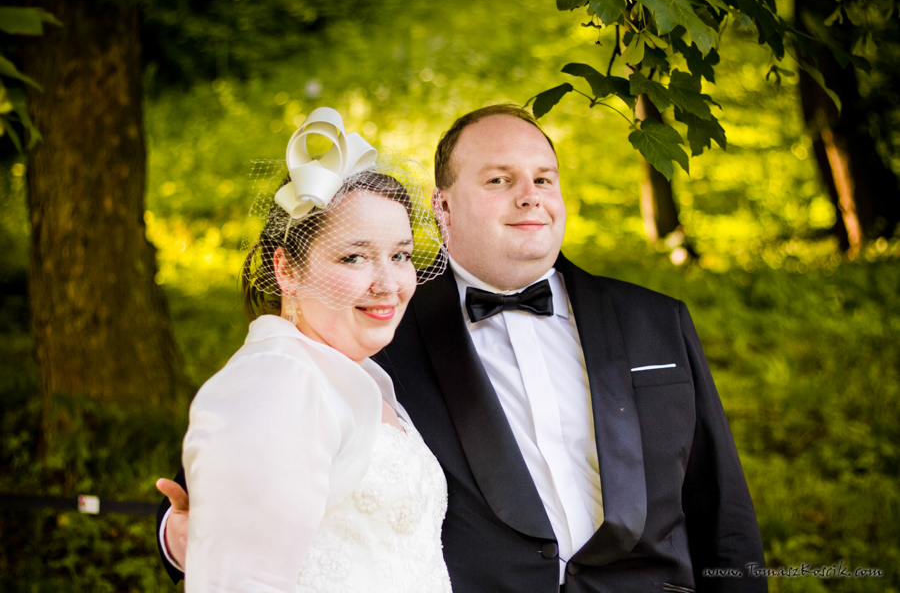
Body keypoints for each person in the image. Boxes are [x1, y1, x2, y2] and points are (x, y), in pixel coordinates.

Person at [159, 104, 767, 592]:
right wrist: (179, 535)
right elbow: (234, 477)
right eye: (499, 180)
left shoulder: (655, 321)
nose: (529, 195)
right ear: (442, 206)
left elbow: (723, 512)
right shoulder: (375, 326)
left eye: (543, 178)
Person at [166, 107, 452, 592]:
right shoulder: (279, 379)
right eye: (354, 256)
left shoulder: (357, 376)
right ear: (287, 270)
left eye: (400, 255)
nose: (389, 282)